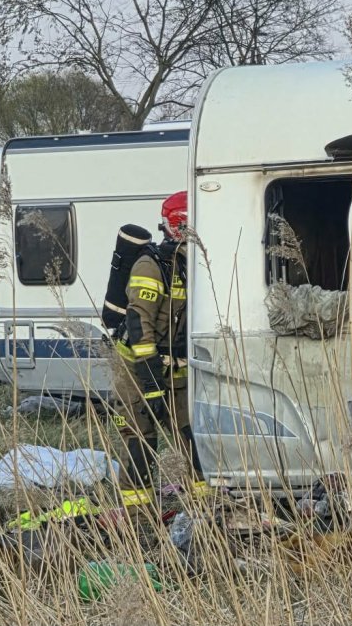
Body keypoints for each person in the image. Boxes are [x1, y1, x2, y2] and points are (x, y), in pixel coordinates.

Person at [114, 190, 207, 508]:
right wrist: (151, 385)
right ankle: (136, 515)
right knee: (140, 438)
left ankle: (203, 507)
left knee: (189, 435)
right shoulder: (150, 266)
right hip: (135, 370)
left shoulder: (191, 265)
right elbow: (139, 324)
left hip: (175, 368)